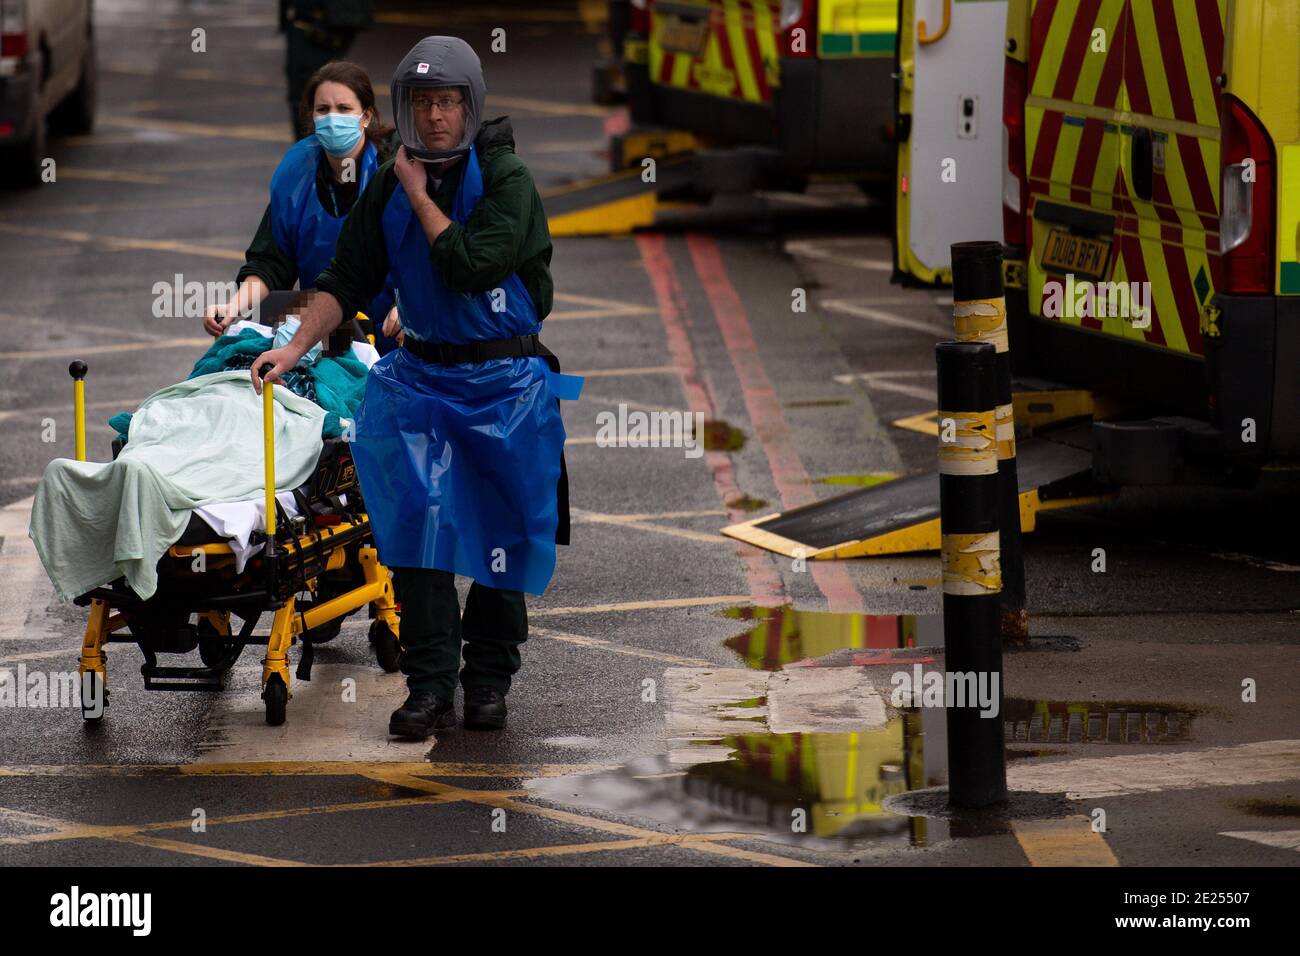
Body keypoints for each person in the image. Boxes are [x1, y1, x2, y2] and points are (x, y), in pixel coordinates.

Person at [249, 36, 580, 739]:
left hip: (505, 386)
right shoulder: (389, 183)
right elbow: (347, 275)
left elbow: (469, 265)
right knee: (419, 541)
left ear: (471, 106)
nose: (434, 117)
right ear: (405, 107)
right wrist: (294, 347)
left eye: (448, 101)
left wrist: (417, 192)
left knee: (502, 540)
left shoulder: (508, 179)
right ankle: (429, 685)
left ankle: (488, 680)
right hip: (422, 382)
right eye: (423, 102)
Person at [203, 61, 400, 353]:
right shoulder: (296, 176)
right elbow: (271, 260)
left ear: (366, 116)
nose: (333, 119)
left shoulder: (396, 173)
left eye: (344, 109)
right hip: (325, 331)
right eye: (323, 110)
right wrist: (232, 307)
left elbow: (422, 254)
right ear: (312, 117)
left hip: (394, 331)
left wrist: (410, 306)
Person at [281, 0, 374, 139]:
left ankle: (314, 143)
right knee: (320, 89)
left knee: (309, 91)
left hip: (319, 24)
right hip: (334, 20)